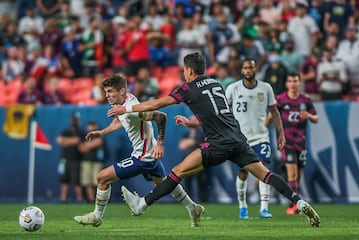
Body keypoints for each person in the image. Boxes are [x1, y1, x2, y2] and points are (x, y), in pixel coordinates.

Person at [115, 52, 320, 228]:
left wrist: (126, 108)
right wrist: (192, 123)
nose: (184, 74)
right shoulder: (215, 83)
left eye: (184, 71)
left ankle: (142, 204)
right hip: (238, 140)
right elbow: (214, 112)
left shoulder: (187, 88)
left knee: (177, 172)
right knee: (266, 175)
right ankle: (299, 202)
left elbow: (157, 103)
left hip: (217, 143)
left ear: (189, 71)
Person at [74, 75, 204, 228]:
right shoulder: (124, 102)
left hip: (142, 157)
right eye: (106, 92)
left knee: (102, 178)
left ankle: (97, 215)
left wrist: (160, 143)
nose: (107, 95)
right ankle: (192, 207)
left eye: (110, 91)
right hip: (150, 155)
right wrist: (102, 132)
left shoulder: (132, 109)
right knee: (165, 184)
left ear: (122, 91)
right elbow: (120, 120)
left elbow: (161, 116)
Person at [225, 58, 285, 219]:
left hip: (261, 137)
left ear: (256, 69)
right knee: (243, 173)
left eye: (251, 67)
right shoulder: (233, 88)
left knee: (264, 169)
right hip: (240, 139)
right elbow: (224, 112)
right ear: (241, 70)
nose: (248, 70)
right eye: (245, 68)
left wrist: (281, 133)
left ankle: (264, 208)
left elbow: (274, 111)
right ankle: (242, 206)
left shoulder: (265, 88)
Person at [266, 72, 318, 215]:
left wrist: (309, 115)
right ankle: (292, 205)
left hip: (301, 142)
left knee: (298, 176)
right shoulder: (281, 100)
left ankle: (296, 203)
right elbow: (271, 115)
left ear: (300, 83)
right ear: (287, 84)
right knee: (292, 174)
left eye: (295, 81)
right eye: (290, 81)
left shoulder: (306, 100)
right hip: (286, 142)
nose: (293, 83)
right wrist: (266, 123)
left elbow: (316, 118)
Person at [56, 113, 85, 203]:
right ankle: (63, 199)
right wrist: (71, 141)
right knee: (64, 180)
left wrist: (66, 141)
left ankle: (79, 199)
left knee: (77, 180)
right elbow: (59, 141)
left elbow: (78, 141)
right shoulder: (66, 131)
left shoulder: (81, 131)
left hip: (76, 159)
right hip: (65, 159)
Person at [78, 121, 105, 202]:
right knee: (87, 181)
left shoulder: (100, 135)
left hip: (97, 162)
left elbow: (98, 143)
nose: (91, 127)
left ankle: (99, 198)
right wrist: (89, 145)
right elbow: (81, 149)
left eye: (93, 125)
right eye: (90, 125)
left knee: (97, 181)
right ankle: (91, 199)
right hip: (86, 161)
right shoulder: (84, 136)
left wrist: (87, 145)